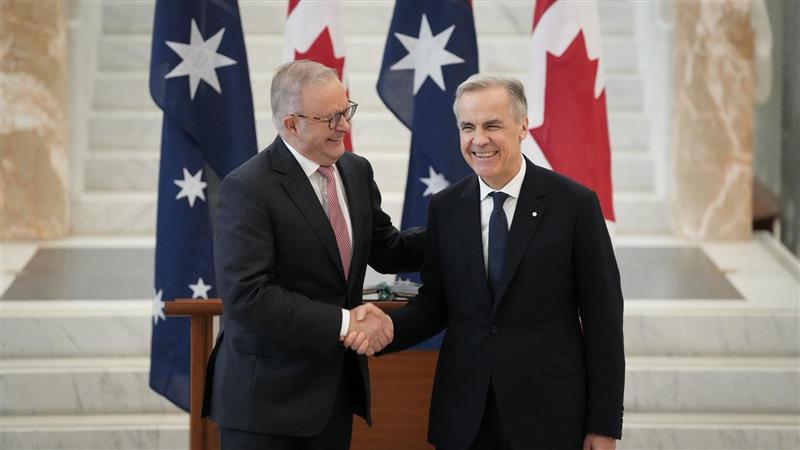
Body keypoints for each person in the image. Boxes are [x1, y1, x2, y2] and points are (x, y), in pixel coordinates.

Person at [349, 74, 625, 449]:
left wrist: (603, 424)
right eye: (468, 127)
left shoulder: (573, 205)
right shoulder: (446, 208)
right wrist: (387, 329)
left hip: (550, 415)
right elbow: (436, 305)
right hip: (466, 415)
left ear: (523, 126)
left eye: (492, 125)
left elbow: (603, 320)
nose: (479, 139)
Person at [203, 59, 423, 449]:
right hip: (265, 404)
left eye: (346, 111)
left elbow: (387, 248)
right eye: (331, 118)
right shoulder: (248, 188)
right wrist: (345, 323)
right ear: (291, 124)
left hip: (331, 397)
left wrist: (464, 228)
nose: (345, 126)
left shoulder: (355, 171)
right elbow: (247, 295)